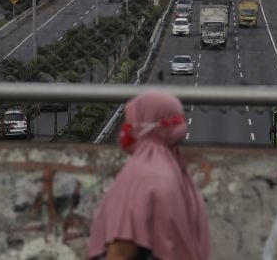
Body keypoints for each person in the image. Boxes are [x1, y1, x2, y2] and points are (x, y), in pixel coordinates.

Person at [88, 90, 211, 260]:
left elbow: (121, 252)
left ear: (145, 124)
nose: (126, 127)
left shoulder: (140, 175)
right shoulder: (177, 173)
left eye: (132, 119)